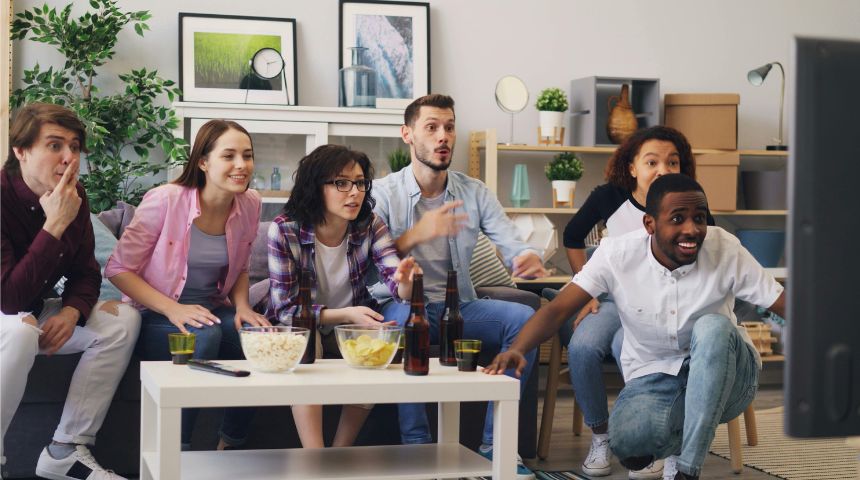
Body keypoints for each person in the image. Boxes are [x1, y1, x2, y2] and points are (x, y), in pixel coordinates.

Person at [486, 174, 786, 480]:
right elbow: (558, 309)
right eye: (678, 219)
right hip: (656, 376)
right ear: (649, 224)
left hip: (730, 376)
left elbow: (785, 304)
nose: (692, 229)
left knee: (712, 327)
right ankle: (675, 435)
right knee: (630, 445)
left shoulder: (725, 248)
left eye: (699, 218)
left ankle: (687, 469)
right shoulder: (617, 254)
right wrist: (518, 349)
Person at [370, 94, 547, 480]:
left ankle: (495, 445)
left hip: (458, 307)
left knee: (524, 319)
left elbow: (509, 239)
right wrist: (419, 233)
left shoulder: (474, 192)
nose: (443, 136)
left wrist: (524, 256)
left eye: (449, 127)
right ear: (407, 134)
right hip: (401, 304)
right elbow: (368, 260)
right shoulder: (382, 193)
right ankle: (417, 448)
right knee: (404, 322)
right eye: (431, 127)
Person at [554, 126, 713, 479]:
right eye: (652, 162)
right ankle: (601, 437)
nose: (663, 170)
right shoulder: (609, 197)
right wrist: (587, 290)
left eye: (672, 162)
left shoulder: (691, 201)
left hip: (666, 304)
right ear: (632, 167)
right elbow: (572, 235)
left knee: (635, 348)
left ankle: (657, 441)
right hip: (612, 299)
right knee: (582, 346)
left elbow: (708, 257)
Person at [106, 119, 269, 451]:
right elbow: (119, 269)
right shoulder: (165, 200)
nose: (241, 165)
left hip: (209, 309)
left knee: (259, 338)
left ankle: (230, 445)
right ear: (203, 162)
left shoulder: (250, 202)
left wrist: (242, 307)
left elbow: (241, 265)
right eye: (229, 156)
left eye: (248, 155)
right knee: (203, 336)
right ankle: (176, 451)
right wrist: (173, 309)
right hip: (155, 312)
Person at [1, 103, 141, 480]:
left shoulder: (73, 194)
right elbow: (8, 299)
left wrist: (71, 311)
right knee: (19, 329)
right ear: (21, 150)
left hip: (31, 311)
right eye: (55, 145)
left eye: (75, 146)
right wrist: (54, 227)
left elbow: (86, 273)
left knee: (122, 321)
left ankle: (64, 450)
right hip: (7, 313)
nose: (69, 157)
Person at [266, 144, 420, 448]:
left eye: (360, 183)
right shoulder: (284, 230)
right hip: (304, 321)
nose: (354, 192)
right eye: (341, 183)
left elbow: (397, 286)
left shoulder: (370, 224)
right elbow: (285, 309)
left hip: (352, 320)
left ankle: (340, 452)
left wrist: (406, 281)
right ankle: (315, 455)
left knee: (377, 344)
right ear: (315, 187)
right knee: (305, 339)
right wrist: (347, 314)